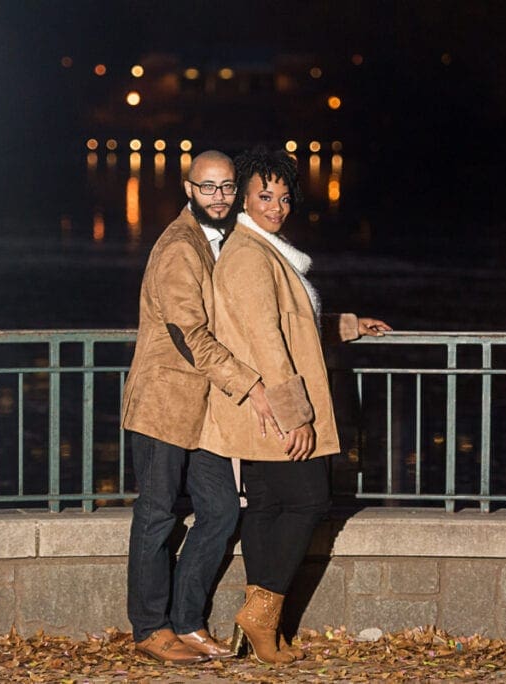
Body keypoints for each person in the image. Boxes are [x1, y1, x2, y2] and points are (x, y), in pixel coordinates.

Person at [199, 147, 391, 664]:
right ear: (243, 196)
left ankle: (262, 628)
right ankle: (261, 617)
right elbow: (265, 338)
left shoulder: (267, 250)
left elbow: (292, 324)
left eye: (284, 198)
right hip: (278, 410)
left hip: (267, 411)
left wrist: (347, 326)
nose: (276, 207)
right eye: (265, 196)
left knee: (268, 505)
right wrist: (295, 414)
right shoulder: (248, 255)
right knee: (307, 501)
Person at [121, 150, 282, 665]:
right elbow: (189, 333)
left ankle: (187, 622)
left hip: (205, 410)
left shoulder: (222, 242)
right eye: (208, 187)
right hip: (165, 405)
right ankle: (150, 628)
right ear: (188, 189)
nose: (220, 197)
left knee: (219, 510)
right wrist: (252, 386)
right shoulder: (178, 248)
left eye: (228, 187)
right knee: (157, 515)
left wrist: (345, 323)